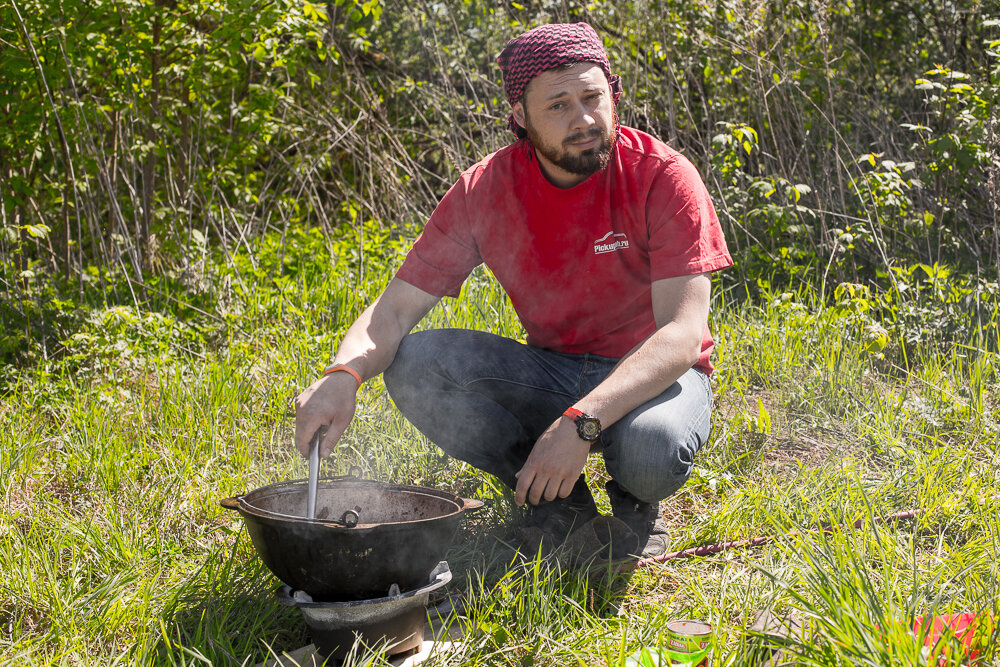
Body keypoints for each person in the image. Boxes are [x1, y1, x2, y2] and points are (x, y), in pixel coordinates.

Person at [293, 22, 732, 559]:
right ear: (520, 116)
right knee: (415, 363)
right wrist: (342, 375)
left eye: (594, 97)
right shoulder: (486, 190)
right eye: (558, 106)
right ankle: (557, 503)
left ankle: (635, 503)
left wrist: (580, 423)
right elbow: (396, 309)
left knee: (650, 450)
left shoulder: (662, 176)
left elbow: (682, 335)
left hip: (656, 379)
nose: (584, 119)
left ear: (612, 93)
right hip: (555, 370)